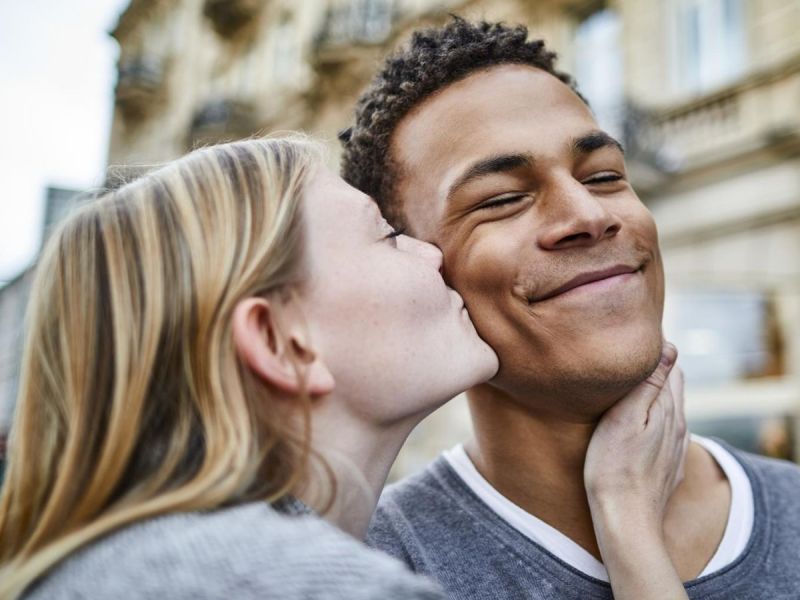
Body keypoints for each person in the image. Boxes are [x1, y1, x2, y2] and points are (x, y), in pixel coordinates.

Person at [0, 135, 685, 600]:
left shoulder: (128, 562)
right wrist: (628, 523)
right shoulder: (303, 584)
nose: (433, 256)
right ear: (282, 342)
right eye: (387, 236)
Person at [340, 17, 800, 599]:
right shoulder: (365, 571)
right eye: (503, 199)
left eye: (604, 175)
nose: (588, 214)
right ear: (412, 273)